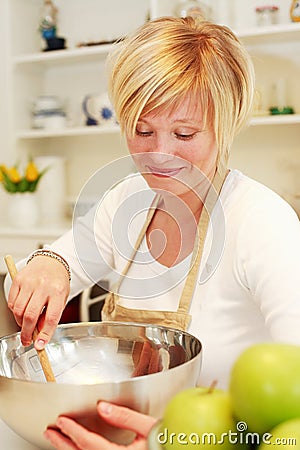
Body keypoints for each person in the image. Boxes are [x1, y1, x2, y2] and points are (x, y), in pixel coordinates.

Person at [5, 16, 300, 450]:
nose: (160, 155)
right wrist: (50, 265)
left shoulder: (260, 221)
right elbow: (60, 260)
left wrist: (164, 443)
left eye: (184, 133)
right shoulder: (128, 200)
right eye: (142, 131)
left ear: (227, 124)